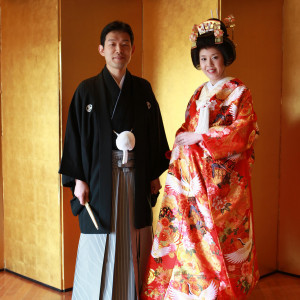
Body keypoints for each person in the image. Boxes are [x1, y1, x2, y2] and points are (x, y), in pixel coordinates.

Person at [141, 16, 259, 299]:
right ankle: (191, 287)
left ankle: (222, 288)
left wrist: (202, 139)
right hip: (193, 175)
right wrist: (182, 143)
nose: (209, 64)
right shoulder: (198, 94)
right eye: (203, 58)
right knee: (189, 234)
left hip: (223, 182)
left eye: (215, 57)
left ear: (225, 58)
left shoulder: (240, 92)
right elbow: (186, 129)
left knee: (223, 234)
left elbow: (242, 132)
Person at [59, 21, 169, 300]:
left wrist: (154, 173)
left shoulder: (143, 89)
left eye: (125, 44)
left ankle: (133, 294)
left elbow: (154, 133)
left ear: (132, 49)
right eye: (112, 44)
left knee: (135, 235)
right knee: (99, 239)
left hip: (135, 176)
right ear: (101, 49)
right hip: (99, 179)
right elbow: (74, 138)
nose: (119, 50)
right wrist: (79, 180)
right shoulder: (87, 90)